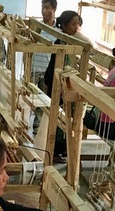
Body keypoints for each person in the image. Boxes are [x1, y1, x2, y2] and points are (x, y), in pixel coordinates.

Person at [43, 10, 83, 163]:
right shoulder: (62, 43)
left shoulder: (69, 42)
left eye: (78, 23)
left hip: (62, 84)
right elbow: (55, 66)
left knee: (62, 118)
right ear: (65, 25)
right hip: (57, 85)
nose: (76, 27)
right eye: (73, 23)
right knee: (57, 119)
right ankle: (54, 152)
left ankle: (58, 150)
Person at [31, 0, 58, 135]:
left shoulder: (58, 30)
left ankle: (38, 129)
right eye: (42, 7)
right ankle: (24, 123)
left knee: (43, 100)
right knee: (29, 98)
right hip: (34, 68)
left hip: (46, 70)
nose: (43, 11)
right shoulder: (37, 27)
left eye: (47, 8)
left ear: (54, 10)